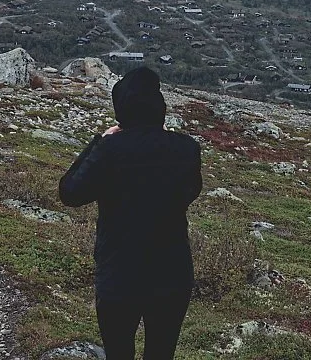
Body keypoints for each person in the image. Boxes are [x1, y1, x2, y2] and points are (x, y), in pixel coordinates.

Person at [58, 66, 203, 360]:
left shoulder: (110, 150)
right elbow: (191, 192)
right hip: (172, 272)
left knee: (119, 352)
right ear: (159, 109)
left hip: (119, 273)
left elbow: (70, 192)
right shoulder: (187, 149)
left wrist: (100, 141)